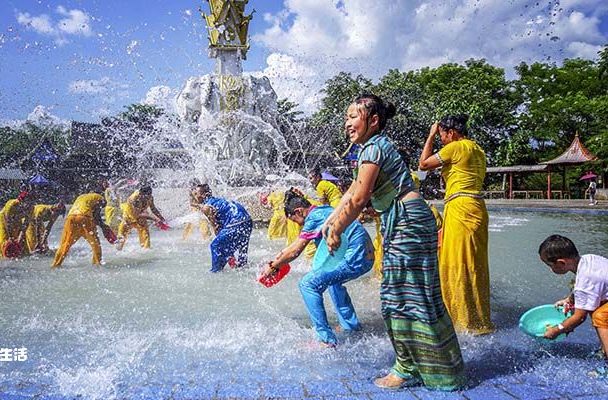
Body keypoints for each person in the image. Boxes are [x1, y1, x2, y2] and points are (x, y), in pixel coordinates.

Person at [325, 94, 465, 390]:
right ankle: (439, 368)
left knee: (397, 298)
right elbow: (353, 190)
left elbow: (361, 199)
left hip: (407, 221)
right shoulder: (371, 148)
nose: (347, 122)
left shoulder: (373, 148)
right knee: (416, 295)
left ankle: (407, 368)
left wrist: (337, 230)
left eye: (354, 116)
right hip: (408, 218)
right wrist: (330, 220)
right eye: (347, 117)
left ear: (373, 120)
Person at [263, 189, 374, 347]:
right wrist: (279, 258)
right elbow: (294, 248)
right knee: (333, 282)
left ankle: (325, 339)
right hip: (366, 255)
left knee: (308, 284)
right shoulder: (324, 210)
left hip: (355, 256)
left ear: (299, 211)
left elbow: (296, 250)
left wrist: (273, 267)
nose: (299, 225)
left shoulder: (313, 218)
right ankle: (351, 327)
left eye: (296, 221)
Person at [418, 114, 494, 335]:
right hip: (477, 208)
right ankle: (479, 317)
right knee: (475, 264)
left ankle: (462, 321)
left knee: (456, 263)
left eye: (442, 134)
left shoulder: (456, 146)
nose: (441, 139)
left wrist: (430, 136)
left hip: (461, 208)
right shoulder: (477, 149)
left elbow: (423, 165)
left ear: (451, 132)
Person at [539, 235, 608, 378]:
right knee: (597, 307)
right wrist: (570, 299)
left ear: (561, 263)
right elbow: (593, 287)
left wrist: (557, 330)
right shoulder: (588, 259)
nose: (550, 270)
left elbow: (579, 317)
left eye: (550, 265)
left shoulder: (584, 280)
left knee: (602, 316)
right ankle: (607, 349)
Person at [191, 183, 252, 273]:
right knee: (238, 246)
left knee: (215, 245)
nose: (195, 196)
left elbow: (216, 229)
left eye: (196, 194)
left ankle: (215, 272)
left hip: (236, 222)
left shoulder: (206, 207)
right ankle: (240, 267)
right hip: (247, 220)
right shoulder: (217, 201)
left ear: (204, 195)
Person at [52, 188, 113, 267]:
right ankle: (97, 264)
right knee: (95, 243)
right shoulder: (99, 197)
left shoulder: (81, 197)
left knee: (65, 244)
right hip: (85, 217)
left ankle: (56, 264)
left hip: (71, 218)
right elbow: (96, 215)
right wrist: (103, 226)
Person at [116, 185, 167, 251]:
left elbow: (153, 209)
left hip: (141, 221)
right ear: (140, 194)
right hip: (128, 220)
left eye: (149, 195)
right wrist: (156, 219)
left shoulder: (150, 197)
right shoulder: (133, 199)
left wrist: (162, 219)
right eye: (146, 196)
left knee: (146, 245)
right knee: (119, 243)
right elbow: (138, 214)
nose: (148, 198)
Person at [0, 191, 34, 259]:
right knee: (4, 238)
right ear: (20, 201)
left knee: (22, 241)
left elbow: (25, 224)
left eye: (30, 203)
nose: (28, 205)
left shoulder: (31, 208)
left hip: (17, 219)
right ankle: (3, 256)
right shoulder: (12, 204)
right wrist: (10, 237)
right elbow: (8, 223)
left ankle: (24, 254)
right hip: (3, 219)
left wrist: (19, 238)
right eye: (27, 203)